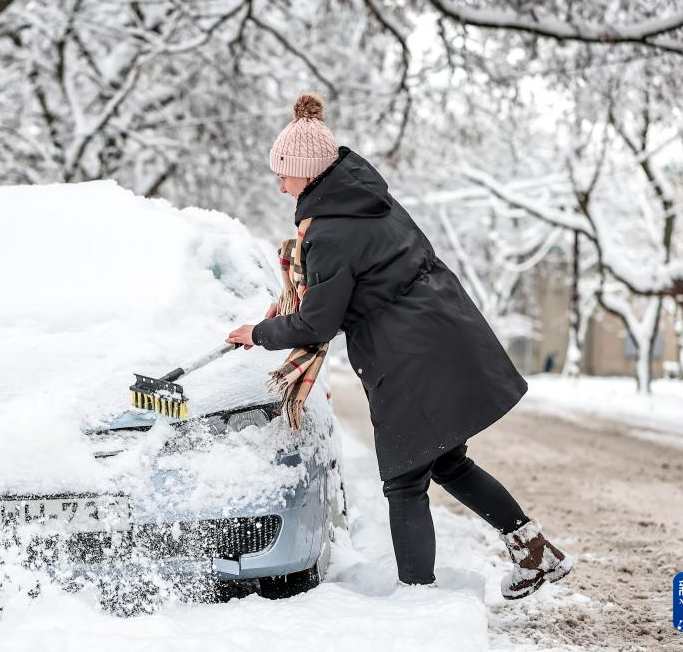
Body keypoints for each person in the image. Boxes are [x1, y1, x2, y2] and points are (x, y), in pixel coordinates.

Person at [226, 92, 574, 599]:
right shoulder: (367, 200)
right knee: (448, 462)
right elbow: (348, 287)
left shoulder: (331, 230)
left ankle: (418, 600)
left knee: (405, 481)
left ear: (307, 172)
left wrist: (256, 334)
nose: (280, 186)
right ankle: (533, 549)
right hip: (442, 334)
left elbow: (318, 323)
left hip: (408, 355)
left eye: (283, 174)